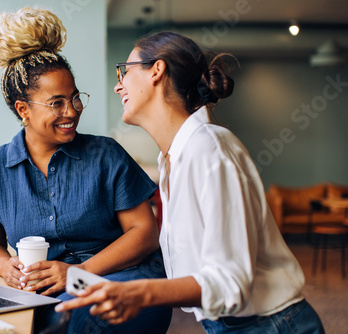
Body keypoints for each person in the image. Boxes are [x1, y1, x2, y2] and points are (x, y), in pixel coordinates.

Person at [55, 31, 325, 333]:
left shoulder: (209, 149)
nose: (118, 85)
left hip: (273, 325)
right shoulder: (173, 159)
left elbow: (229, 281)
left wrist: (139, 292)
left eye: (124, 71)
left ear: (156, 71)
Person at [0, 7, 172, 333]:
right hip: (47, 289)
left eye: (74, 98)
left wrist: (77, 271)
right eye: (57, 103)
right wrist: (5, 268)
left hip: (124, 276)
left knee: (78, 313)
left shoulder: (105, 154)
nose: (72, 111)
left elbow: (143, 234)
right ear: (23, 110)